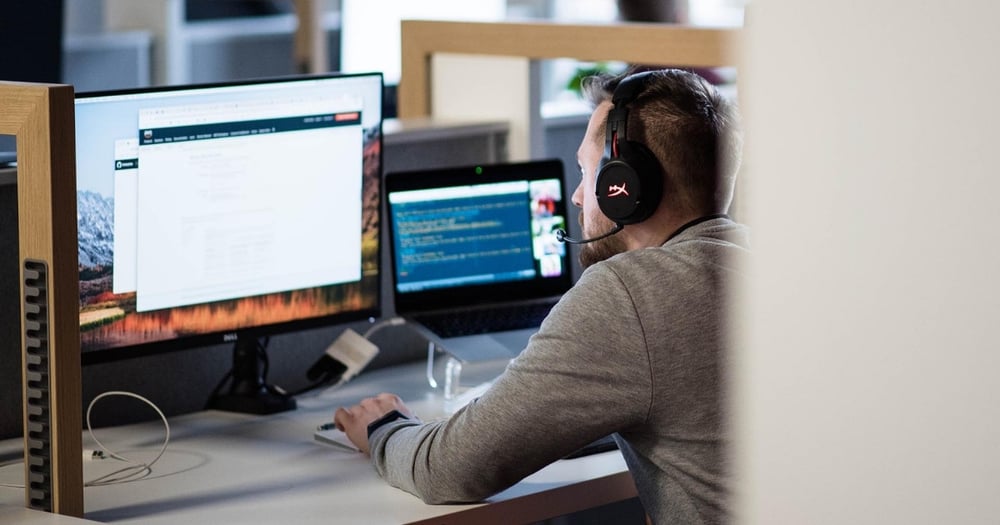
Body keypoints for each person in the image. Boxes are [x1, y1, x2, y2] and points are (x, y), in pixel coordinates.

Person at [334, 67, 749, 525]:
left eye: (585, 171)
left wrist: (384, 427)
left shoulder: (630, 294)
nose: (575, 196)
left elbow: (447, 470)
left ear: (623, 186)